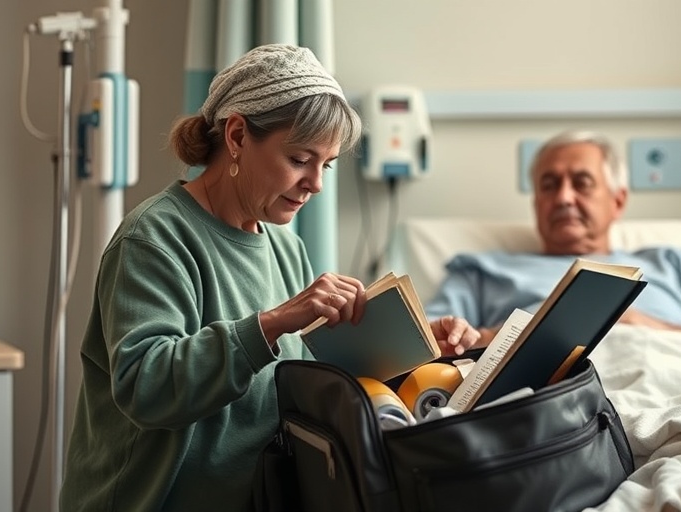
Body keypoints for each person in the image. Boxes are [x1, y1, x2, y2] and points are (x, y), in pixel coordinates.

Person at [59, 44, 482, 512]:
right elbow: (147, 388)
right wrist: (272, 323)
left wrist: (415, 348)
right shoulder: (154, 238)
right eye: (300, 159)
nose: (316, 184)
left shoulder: (286, 247)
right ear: (238, 136)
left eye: (326, 165)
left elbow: (304, 382)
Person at [424, 129, 681, 385]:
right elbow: (422, 350)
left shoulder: (678, 266)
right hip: (566, 410)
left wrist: (648, 327)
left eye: (582, 183)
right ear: (536, 203)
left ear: (618, 201)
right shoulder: (480, 271)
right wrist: (488, 338)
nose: (564, 197)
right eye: (549, 186)